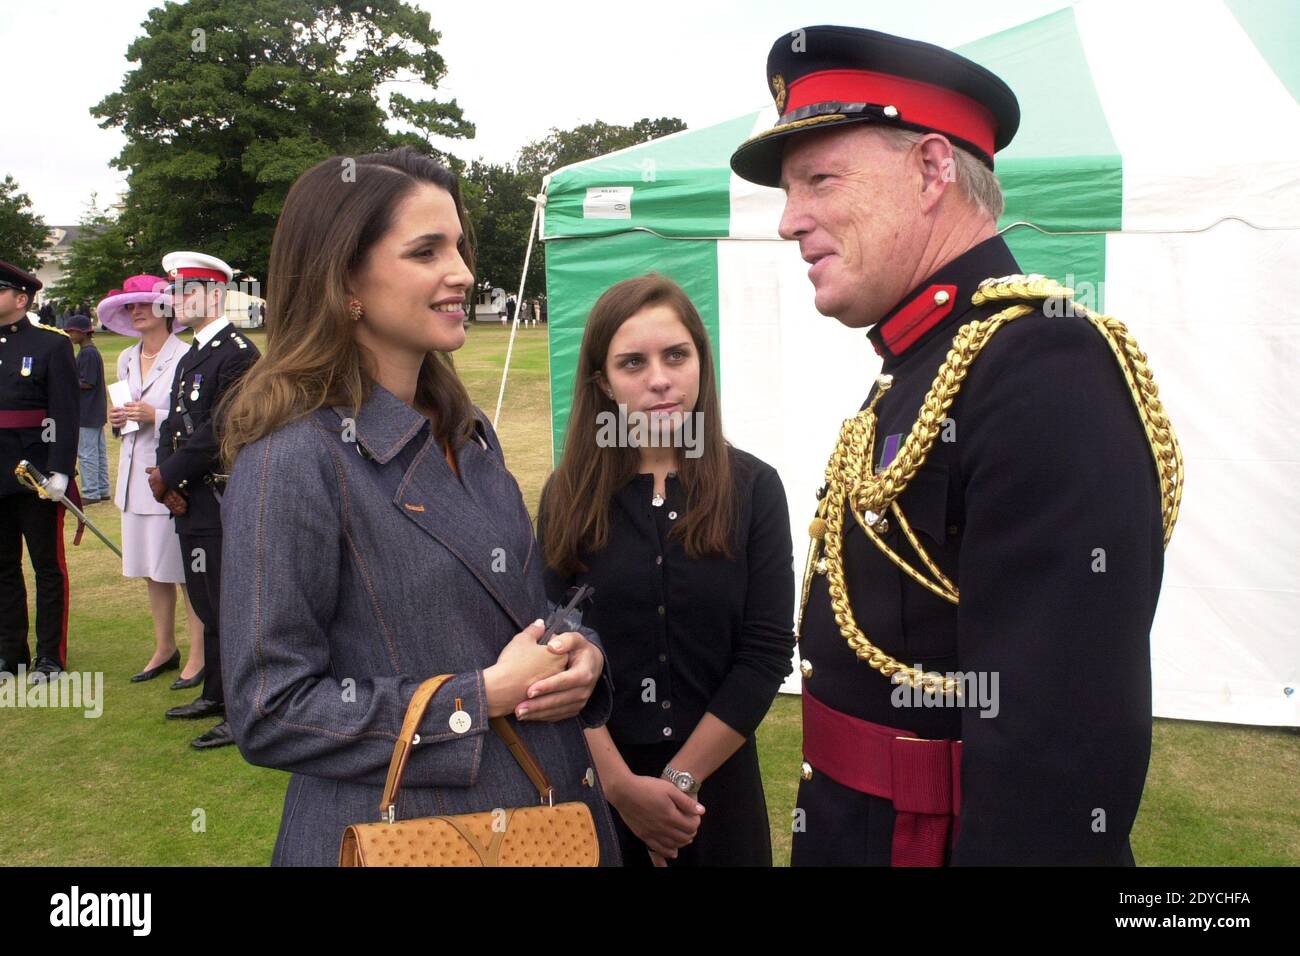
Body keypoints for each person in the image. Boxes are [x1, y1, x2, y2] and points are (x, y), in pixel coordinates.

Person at [729, 25, 1182, 865]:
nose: (790, 220)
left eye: (818, 180)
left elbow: (1059, 750)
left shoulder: (1047, 359)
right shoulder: (930, 356)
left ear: (933, 169)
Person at [218, 146, 622, 867]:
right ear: (346, 280)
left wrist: (578, 655)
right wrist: (477, 697)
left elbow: (510, 609)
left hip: (548, 821)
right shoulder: (294, 458)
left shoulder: (468, 433)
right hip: (410, 837)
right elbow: (268, 708)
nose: (462, 271)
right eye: (426, 250)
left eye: (458, 245)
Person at [538, 274, 795, 866]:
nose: (659, 379)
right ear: (603, 382)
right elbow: (552, 652)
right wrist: (624, 791)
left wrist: (678, 784)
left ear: (700, 362)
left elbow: (765, 652)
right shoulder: (569, 497)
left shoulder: (753, 489)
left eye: (675, 355)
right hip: (597, 797)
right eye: (633, 362)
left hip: (717, 796)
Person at [152, 251, 260, 750]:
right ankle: (216, 693)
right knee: (205, 599)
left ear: (214, 295)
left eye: (185, 291)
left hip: (219, 493)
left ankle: (243, 712)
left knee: (227, 603)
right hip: (190, 498)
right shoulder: (194, 351)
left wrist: (170, 474)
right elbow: (174, 424)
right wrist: (164, 476)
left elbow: (223, 427)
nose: (175, 300)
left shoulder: (237, 353)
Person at [100, 276, 206, 687]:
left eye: (144, 304)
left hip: (170, 475)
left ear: (165, 310)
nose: (137, 311)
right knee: (151, 570)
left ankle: (198, 652)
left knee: (182, 570)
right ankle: (164, 646)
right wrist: (117, 421)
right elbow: (123, 412)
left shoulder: (186, 355)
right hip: (132, 477)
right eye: (129, 306)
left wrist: (155, 416)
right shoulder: (126, 356)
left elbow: (199, 418)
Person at [0, 260, 79, 682]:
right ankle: (10, 654)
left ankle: (51, 657)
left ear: (21, 298)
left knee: (47, 567)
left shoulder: (51, 344)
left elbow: (65, 413)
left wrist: (60, 472)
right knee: (3, 568)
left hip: (35, 476)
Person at [64, 314, 110, 503]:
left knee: (87, 453)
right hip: (94, 410)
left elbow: (87, 382)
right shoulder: (90, 351)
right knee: (98, 452)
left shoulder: (87, 353)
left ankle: (91, 492)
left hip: (87, 411)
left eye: (72, 332)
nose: (70, 335)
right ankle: (102, 489)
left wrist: (66, 380)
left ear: (83, 332)